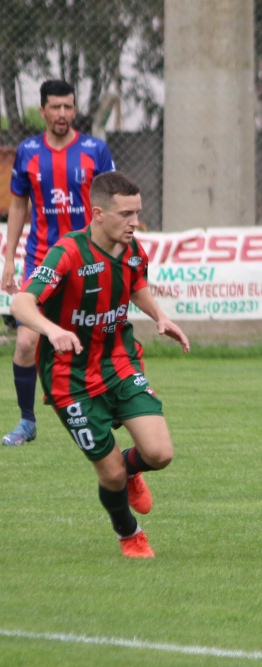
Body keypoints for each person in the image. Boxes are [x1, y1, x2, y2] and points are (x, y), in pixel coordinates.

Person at [11, 172, 189, 559]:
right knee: (109, 474)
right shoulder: (68, 253)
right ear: (98, 215)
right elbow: (21, 302)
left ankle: (133, 469)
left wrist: (160, 315)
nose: (134, 222)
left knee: (160, 453)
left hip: (119, 362)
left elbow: (136, 283)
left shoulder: (133, 249)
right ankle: (130, 534)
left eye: (138, 213)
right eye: (126, 214)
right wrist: (50, 329)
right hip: (69, 378)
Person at [3, 79, 116, 446]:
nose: (63, 114)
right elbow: (19, 205)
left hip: (88, 259)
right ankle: (27, 421)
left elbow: (112, 204)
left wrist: (115, 253)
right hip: (43, 262)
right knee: (24, 344)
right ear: (43, 111)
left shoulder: (94, 150)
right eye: (55, 107)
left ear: (75, 109)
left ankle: (109, 407)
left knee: (100, 340)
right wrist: (9, 260)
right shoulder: (28, 152)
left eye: (68, 107)